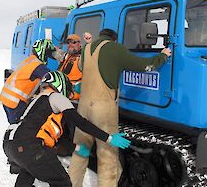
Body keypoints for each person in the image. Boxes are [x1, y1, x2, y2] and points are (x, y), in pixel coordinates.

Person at [68, 28, 172, 187]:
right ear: (114, 39)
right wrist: (163, 56)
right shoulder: (114, 48)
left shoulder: (87, 49)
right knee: (107, 156)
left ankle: (71, 184)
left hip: (83, 108)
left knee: (81, 150)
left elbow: (82, 67)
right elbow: (144, 65)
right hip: (102, 111)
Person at [3, 71, 131, 187]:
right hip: (28, 146)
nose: (70, 94)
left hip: (11, 144)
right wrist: (108, 137)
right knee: (62, 182)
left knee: (29, 171)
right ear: (61, 84)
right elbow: (81, 123)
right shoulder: (56, 97)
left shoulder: (37, 100)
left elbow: (51, 138)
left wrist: (77, 148)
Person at [0, 39, 55, 124]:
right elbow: (53, 79)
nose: (48, 57)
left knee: (13, 126)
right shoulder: (38, 66)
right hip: (15, 101)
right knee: (19, 128)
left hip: (6, 98)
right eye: (48, 54)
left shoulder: (30, 60)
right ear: (43, 52)